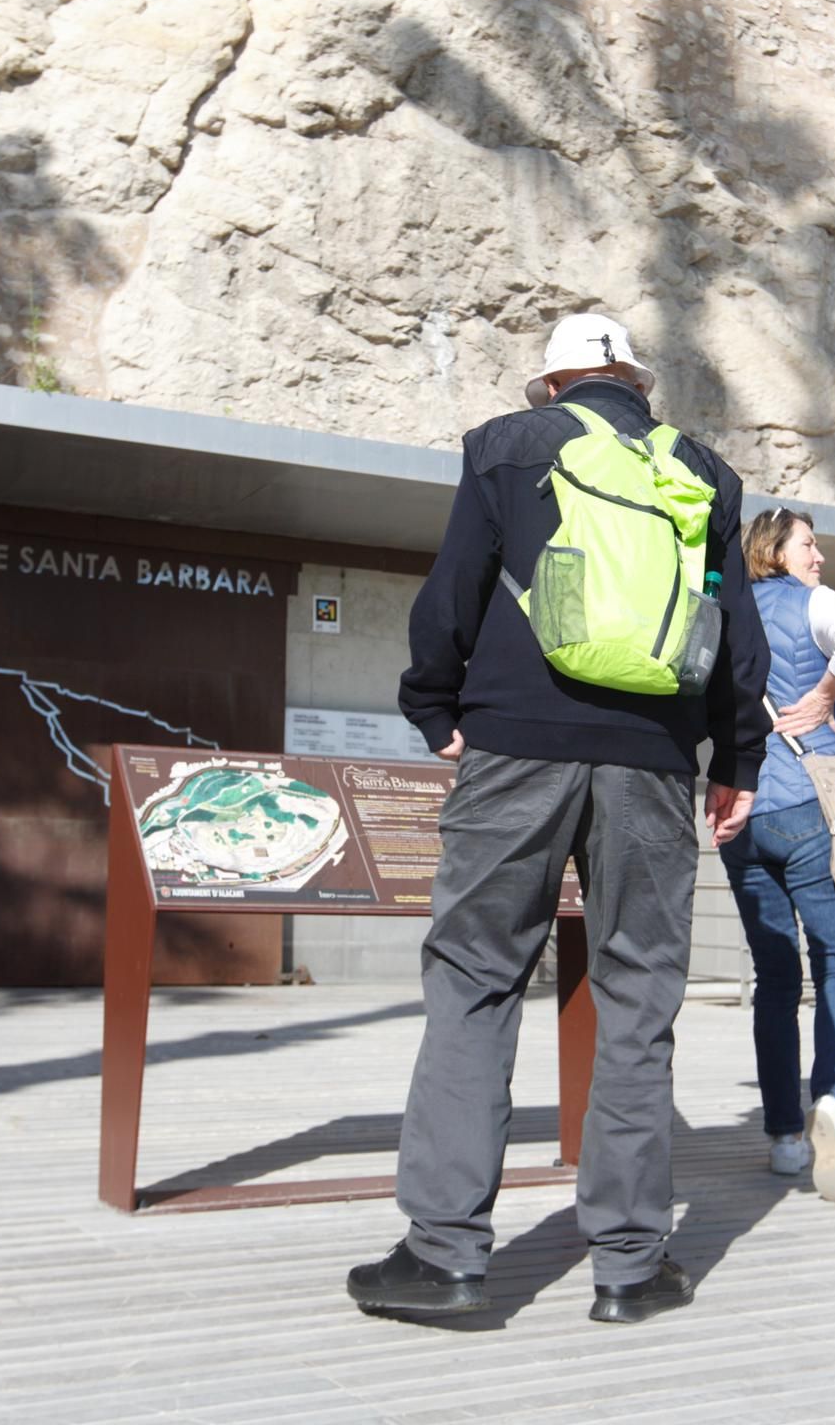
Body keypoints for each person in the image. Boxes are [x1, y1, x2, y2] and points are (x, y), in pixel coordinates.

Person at [346, 312, 771, 1324]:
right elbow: (732, 629)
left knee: (475, 980)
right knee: (636, 998)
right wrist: (734, 756)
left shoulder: (505, 447)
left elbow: (451, 591)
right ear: (635, 381)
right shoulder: (700, 471)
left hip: (513, 749)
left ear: (550, 384)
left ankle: (443, 1255)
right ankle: (627, 1265)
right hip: (654, 765)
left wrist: (431, 706)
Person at [718, 507, 835, 1204]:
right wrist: (824, 693)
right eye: (809, 545)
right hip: (815, 806)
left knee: (776, 980)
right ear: (775, 550)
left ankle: (785, 1138)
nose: (820, 558)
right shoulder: (815, 602)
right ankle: (834, 1104)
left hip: (745, 813)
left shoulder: (724, 612)